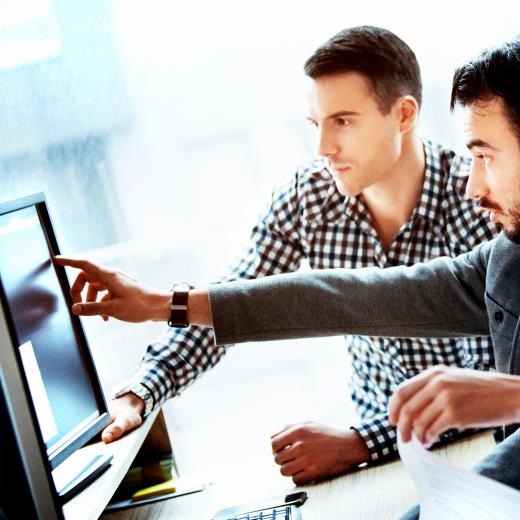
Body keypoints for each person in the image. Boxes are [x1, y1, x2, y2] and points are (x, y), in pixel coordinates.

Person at [57, 26, 498, 484]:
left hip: (472, 452)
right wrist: (140, 393)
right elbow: (237, 302)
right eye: (316, 124)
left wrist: (360, 441)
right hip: (379, 468)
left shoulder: (481, 200)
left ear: (403, 114)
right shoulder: (309, 198)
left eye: (342, 121)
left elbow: (488, 383)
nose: (323, 147)